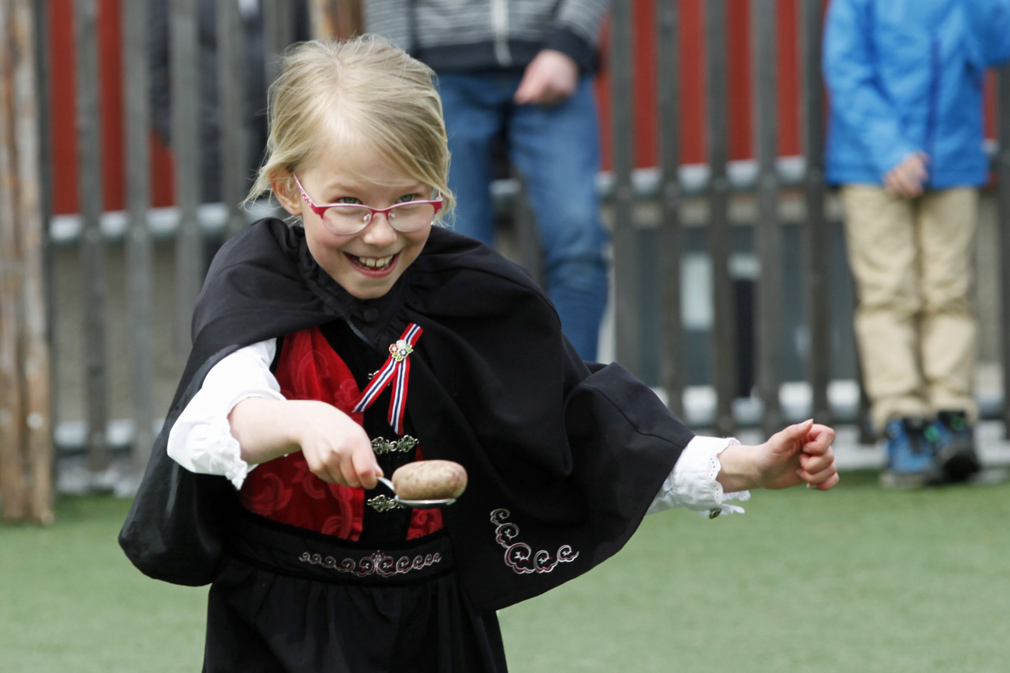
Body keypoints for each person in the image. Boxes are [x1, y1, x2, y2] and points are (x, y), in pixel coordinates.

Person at [120, 36, 839, 673]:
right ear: (289, 188)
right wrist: (299, 422)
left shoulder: (473, 290)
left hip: (437, 615)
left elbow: (581, 418)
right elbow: (213, 416)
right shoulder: (256, 275)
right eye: (348, 204)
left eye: (410, 200)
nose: (379, 234)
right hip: (282, 618)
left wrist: (735, 464)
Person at [823, 0, 1010, 487]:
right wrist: (891, 149)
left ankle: (952, 419)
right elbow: (845, 67)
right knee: (890, 292)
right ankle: (902, 424)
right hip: (872, 165)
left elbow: (996, 45)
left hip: (953, 160)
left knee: (949, 291)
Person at [362, 0, 611, 361]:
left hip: (552, 57)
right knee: (453, 253)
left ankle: (577, 397)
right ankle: (480, 401)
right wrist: (397, 73)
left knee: (579, 245)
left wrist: (568, 45)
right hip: (440, 70)